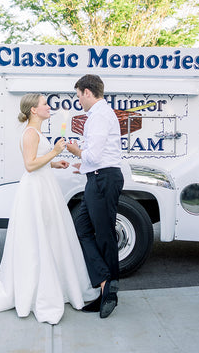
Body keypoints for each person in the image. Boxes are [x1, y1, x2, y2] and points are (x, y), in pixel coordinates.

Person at [0, 93, 99, 324]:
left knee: (51, 235)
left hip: (45, 186)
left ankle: (57, 283)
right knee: (36, 238)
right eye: (44, 104)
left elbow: (38, 160)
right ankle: (41, 291)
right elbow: (29, 165)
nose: (49, 107)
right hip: (35, 190)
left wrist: (53, 163)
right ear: (33, 111)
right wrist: (55, 152)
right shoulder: (30, 133)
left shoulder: (36, 132)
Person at [66, 74, 124, 319]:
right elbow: (95, 157)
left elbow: (95, 154)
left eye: (78, 95)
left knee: (104, 233)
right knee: (82, 228)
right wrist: (85, 166)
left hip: (102, 178)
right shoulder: (99, 115)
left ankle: (109, 290)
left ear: (87, 92)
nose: (78, 100)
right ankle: (104, 282)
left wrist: (75, 151)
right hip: (98, 177)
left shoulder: (99, 116)